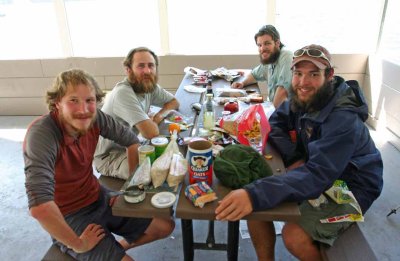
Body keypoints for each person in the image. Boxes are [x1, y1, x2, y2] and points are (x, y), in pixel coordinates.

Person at [216, 44, 383, 260]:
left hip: (352, 183)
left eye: (313, 74)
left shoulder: (343, 119)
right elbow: (275, 123)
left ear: (329, 75)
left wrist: (253, 194)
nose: (303, 82)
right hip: (318, 167)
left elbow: (317, 176)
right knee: (256, 206)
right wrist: (295, 157)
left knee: (293, 235)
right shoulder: (305, 97)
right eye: (298, 74)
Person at [23, 69, 175, 261]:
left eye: (90, 100)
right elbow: (40, 207)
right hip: (69, 215)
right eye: (73, 100)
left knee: (164, 225)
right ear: (57, 103)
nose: (83, 109)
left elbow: (132, 142)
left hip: (97, 196)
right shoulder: (42, 135)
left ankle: (114, 251)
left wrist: (131, 187)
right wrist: (79, 244)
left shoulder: (95, 117)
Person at [94, 47, 179, 180]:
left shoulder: (148, 86)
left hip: (133, 146)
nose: (147, 71)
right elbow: (151, 133)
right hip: (111, 156)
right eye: (141, 66)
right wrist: (151, 123)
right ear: (128, 70)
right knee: (157, 171)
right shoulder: (123, 93)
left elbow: (174, 102)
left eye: (151, 65)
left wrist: (158, 116)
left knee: (173, 158)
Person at [231, 25, 293, 108]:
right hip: (274, 107)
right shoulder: (271, 57)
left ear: (277, 43)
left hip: (287, 113)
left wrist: (271, 116)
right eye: (259, 45)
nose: (262, 49)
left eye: (267, 43)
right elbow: (254, 74)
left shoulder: (286, 55)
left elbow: (283, 91)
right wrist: (242, 83)